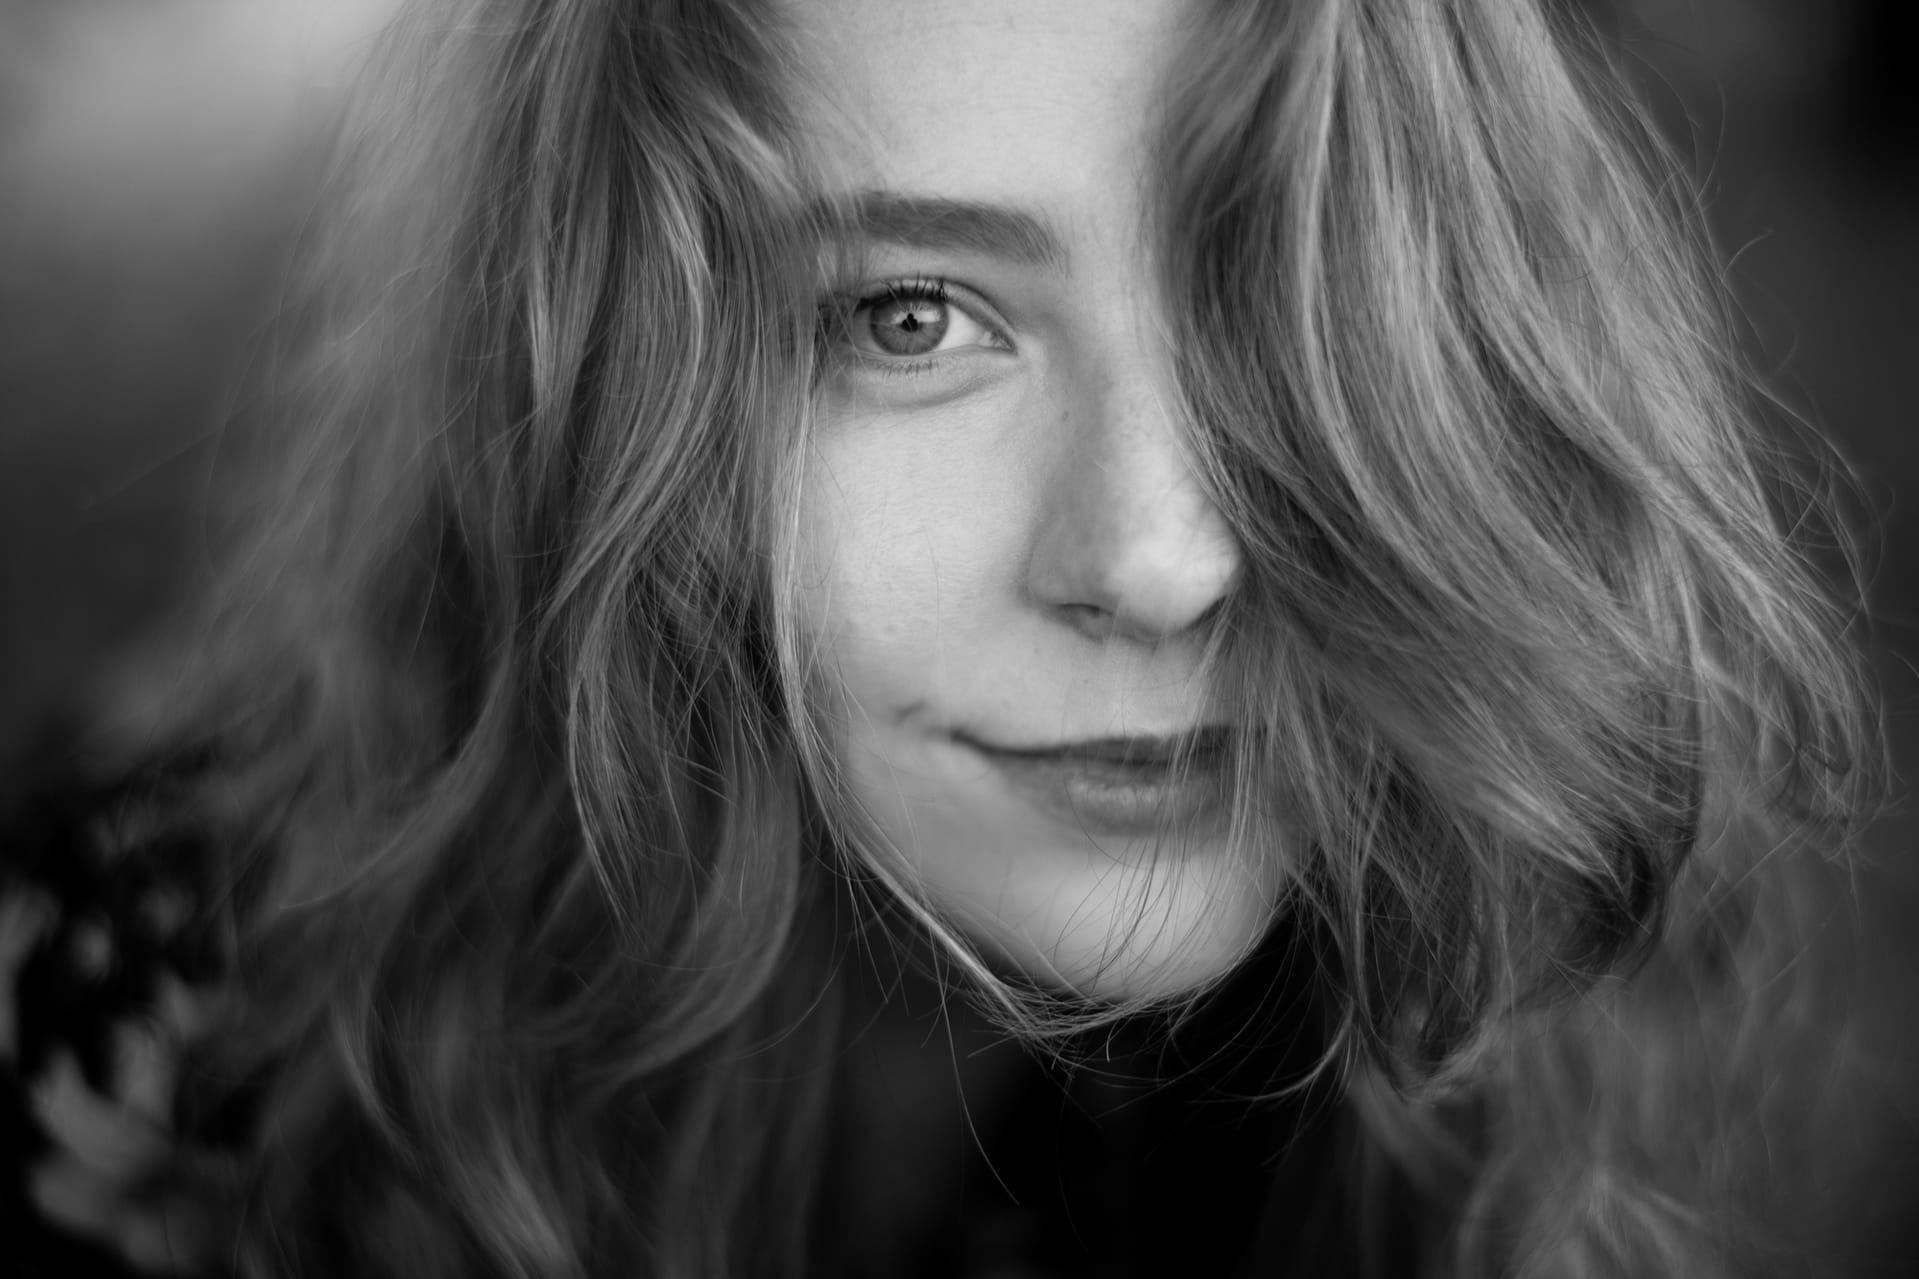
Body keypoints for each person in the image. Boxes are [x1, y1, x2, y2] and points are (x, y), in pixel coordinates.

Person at [0, 0, 1883, 1275]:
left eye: (1282, 301)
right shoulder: (153, 1020)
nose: (1162, 560)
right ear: (608, 409)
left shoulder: (1436, 1035)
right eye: (911, 316)